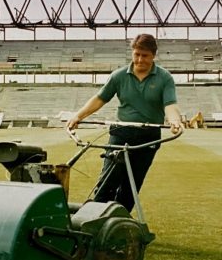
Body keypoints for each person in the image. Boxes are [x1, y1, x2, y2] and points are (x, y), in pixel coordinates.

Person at [66, 34, 182, 212]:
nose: (140, 59)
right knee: (109, 178)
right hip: (121, 132)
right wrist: (78, 116)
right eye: (136, 54)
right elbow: (99, 99)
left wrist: (175, 121)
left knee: (133, 183)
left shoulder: (164, 78)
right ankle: (93, 216)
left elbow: (170, 104)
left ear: (153, 55)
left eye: (145, 55)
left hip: (149, 136)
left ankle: (119, 218)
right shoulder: (119, 76)